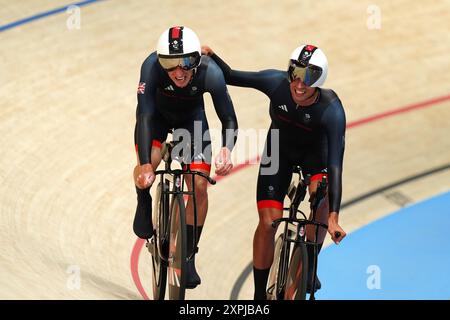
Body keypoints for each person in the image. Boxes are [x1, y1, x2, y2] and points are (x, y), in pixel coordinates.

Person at [202, 44, 347, 299]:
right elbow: (232, 75)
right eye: (295, 76)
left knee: (321, 200)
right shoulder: (275, 82)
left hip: (317, 158)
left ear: (319, 81)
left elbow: (336, 165)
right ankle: (259, 296)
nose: (299, 85)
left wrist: (333, 217)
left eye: (308, 80)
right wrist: (212, 57)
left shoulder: (332, 109)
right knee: (268, 223)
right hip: (278, 153)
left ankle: (310, 262)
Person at [133, 26, 238, 289]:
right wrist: (145, 163)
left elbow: (228, 118)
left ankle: (188, 255)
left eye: (186, 63)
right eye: (170, 64)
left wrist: (227, 148)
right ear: (160, 61)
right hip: (155, 120)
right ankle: (143, 201)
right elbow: (144, 115)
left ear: (197, 60)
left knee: (200, 186)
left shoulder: (210, 73)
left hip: (190, 124)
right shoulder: (150, 67)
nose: (178, 72)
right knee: (149, 168)